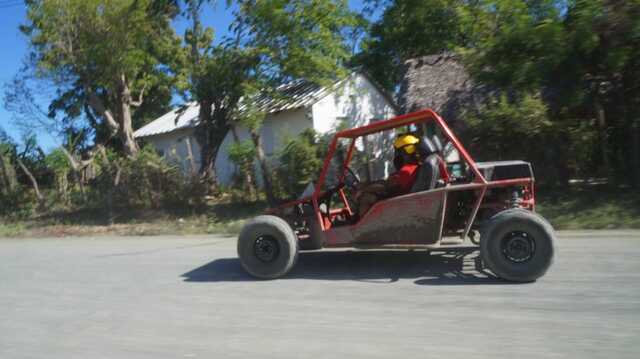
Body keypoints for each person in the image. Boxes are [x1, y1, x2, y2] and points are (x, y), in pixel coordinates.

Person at [354, 134, 422, 216]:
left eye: (396, 152)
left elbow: (385, 187)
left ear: (402, 153)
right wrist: (367, 185)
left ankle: (362, 227)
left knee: (366, 198)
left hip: (398, 205)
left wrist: (363, 190)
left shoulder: (406, 171)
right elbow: (387, 183)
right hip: (402, 201)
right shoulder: (415, 167)